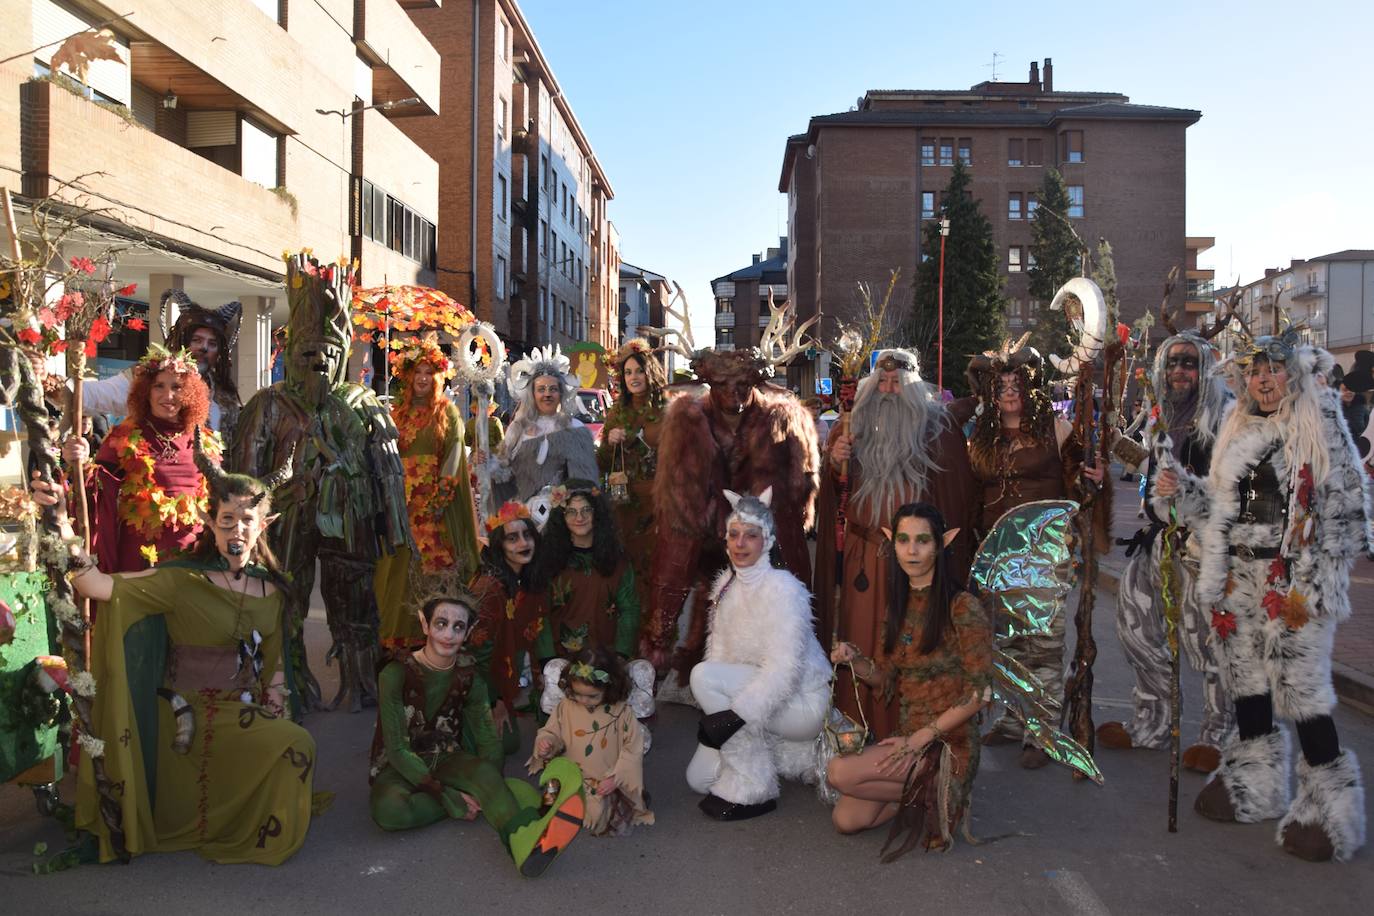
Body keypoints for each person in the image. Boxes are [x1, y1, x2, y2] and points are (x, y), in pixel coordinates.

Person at [36, 436, 313, 865]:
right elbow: (96, 586)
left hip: (240, 706)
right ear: (209, 519)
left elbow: (274, 666)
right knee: (291, 744)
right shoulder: (182, 580)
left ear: (265, 523)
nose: (236, 530)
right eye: (226, 519)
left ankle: (241, 818)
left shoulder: (272, 590)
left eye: (246, 520)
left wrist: (278, 704)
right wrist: (62, 522)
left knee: (294, 742)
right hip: (186, 710)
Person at [1155, 328, 1369, 863]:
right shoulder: (1236, 424)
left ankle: (1330, 806)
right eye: (1254, 372)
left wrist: (1316, 584)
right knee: (1245, 681)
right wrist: (1181, 489)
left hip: (1289, 579)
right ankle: (1255, 779)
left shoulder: (1318, 424)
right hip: (1237, 577)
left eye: (1273, 370)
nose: (1263, 381)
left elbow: (1345, 511)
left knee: (1299, 690)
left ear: (1291, 373)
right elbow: (1221, 512)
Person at [231, 252, 409, 712]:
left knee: (353, 600)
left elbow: (387, 465)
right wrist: (244, 524)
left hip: (350, 521)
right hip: (287, 519)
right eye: (308, 352)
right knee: (283, 598)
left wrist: (394, 527)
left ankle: (360, 682)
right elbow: (245, 471)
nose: (317, 362)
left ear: (341, 357)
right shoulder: (268, 404)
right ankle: (288, 682)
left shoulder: (360, 401)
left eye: (328, 354)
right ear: (290, 354)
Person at [814, 348, 979, 740]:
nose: (888, 390)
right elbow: (833, 497)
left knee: (905, 645)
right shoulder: (849, 427)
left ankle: (905, 734)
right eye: (882, 382)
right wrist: (834, 460)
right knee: (857, 641)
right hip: (861, 561)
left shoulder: (936, 432)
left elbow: (956, 500)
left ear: (913, 387)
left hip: (911, 564)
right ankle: (853, 732)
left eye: (897, 383)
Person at [958, 339, 1103, 768]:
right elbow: (970, 495)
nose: (1007, 390)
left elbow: (1081, 487)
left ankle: (1041, 731)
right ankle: (1012, 717)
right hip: (995, 554)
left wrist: (1093, 478)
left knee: (1042, 641)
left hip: (1044, 553)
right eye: (1000, 383)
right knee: (1005, 642)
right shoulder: (979, 439)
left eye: (1015, 382)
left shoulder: (1057, 431)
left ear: (1031, 387)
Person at [368, 594, 587, 877]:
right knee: (388, 811)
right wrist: (447, 795)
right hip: (400, 763)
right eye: (441, 623)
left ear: (468, 632)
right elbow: (396, 748)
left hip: (447, 756)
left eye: (458, 627)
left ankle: (523, 840)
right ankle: (504, 798)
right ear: (424, 623)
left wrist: (487, 776)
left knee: (485, 772)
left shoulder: (468, 675)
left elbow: (486, 737)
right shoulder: (395, 672)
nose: (448, 635)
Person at [1098, 332, 1234, 773]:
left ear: (1205, 369)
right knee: (1134, 627)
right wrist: (1119, 446)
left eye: (1189, 363)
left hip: (1201, 546)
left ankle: (1219, 735)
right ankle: (1152, 722)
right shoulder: (1161, 417)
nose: (1179, 371)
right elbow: (1157, 471)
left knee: (1208, 644)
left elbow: (1226, 489)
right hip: (1157, 539)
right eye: (1173, 362)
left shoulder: (1225, 418)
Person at [828, 502, 992, 857]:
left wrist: (922, 737)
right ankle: (923, 799)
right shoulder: (898, 606)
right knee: (847, 819)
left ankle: (947, 790)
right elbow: (885, 678)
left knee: (839, 773)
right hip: (908, 740)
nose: (912, 550)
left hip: (948, 745)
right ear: (892, 542)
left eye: (922, 541)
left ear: (942, 543)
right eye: (903, 540)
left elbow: (979, 693)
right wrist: (854, 660)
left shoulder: (962, 607)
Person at [644, 344, 820, 673]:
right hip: (706, 521)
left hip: (760, 526)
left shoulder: (781, 420)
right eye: (723, 386)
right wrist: (705, 518)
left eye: (742, 386)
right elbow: (677, 489)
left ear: (756, 385)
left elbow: (799, 488)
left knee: (783, 575)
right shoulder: (688, 420)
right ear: (709, 384)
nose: (733, 395)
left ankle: (789, 654)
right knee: (674, 558)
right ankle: (658, 652)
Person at [686, 488, 830, 821]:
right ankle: (760, 754)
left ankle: (754, 785)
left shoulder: (784, 589)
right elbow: (719, 658)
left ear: (766, 540)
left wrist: (733, 718)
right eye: (734, 535)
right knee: (699, 780)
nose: (740, 544)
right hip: (755, 699)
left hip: (801, 703)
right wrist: (719, 715)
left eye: (751, 536)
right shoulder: (725, 588)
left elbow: (783, 672)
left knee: (702, 676)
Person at [65, 345, 215, 574]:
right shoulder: (123, 436)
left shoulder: (204, 440)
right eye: (159, 386)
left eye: (177, 387)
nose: (168, 396)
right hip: (140, 563)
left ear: (189, 393)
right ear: (145, 391)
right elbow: (96, 489)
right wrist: (81, 461)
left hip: (193, 561)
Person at [374, 335, 481, 654]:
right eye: (416, 372)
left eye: (428, 372)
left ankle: (432, 639)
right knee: (395, 570)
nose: (422, 378)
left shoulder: (447, 413)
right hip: (399, 503)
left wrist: (437, 501)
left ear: (437, 377)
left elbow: (451, 461)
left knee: (430, 570)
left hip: (432, 509)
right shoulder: (397, 413)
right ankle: (393, 638)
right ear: (407, 377)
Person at [526, 481, 655, 734]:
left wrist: (620, 655)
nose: (579, 517)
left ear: (597, 514)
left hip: (606, 655)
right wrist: (546, 660)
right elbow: (538, 614)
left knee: (636, 680)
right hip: (563, 658)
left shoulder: (616, 560)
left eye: (586, 510)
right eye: (571, 511)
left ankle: (625, 734)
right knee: (563, 702)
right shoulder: (548, 562)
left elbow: (629, 608)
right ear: (561, 517)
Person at [81, 290, 242, 439]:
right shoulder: (149, 376)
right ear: (180, 341)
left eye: (212, 343)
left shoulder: (225, 392)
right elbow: (95, 395)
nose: (204, 348)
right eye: (196, 340)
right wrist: (63, 388)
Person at [529, 645, 653, 836]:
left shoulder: (621, 712)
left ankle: (620, 799)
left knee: (597, 817)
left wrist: (615, 778)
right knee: (551, 799)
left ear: (609, 687)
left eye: (592, 696)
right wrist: (547, 742)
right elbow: (552, 731)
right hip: (571, 775)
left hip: (603, 779)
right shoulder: (566, 706)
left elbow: (632, 749)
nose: (583, 700)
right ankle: (562, 805)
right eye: (577, 693)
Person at [480, 345, 599, 504]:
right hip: (523, 516)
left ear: (561, 393)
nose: (547, 394)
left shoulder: (575, 428)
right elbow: (503, 473)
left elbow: (586, 484)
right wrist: (484, 464)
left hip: (561, 517)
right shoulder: (518, 429)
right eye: (541, 389)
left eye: (553, 389)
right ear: (532, 394)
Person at [596, 338, 666, 607]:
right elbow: (602, 463)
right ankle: (627, 639)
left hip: (657, 505)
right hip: (623, 504)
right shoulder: (617, 412)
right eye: (628, 372)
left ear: (650, 372)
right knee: (626, 572)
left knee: (656, 573)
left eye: (639, 371)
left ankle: (656, 639)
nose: (633, 377)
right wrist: (611, 440)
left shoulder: (667, 411)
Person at [468, 501, 541, 753]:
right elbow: (475, 656)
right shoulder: (489, 590)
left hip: (502, 682)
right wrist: (493, 700)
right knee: (505, 746)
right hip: (475, 687)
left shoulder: (521, 579)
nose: (523, 544)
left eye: (527, 534)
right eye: (513, 538)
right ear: (500, 546)